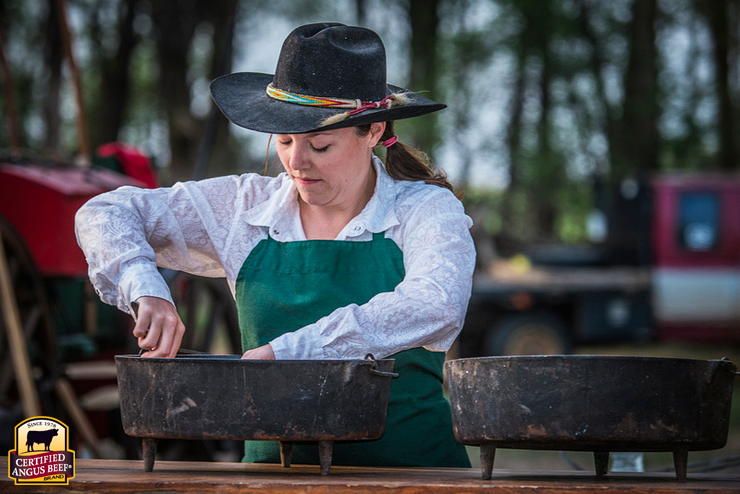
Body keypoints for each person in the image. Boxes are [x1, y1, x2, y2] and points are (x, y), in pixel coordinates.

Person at [75, 22, 475, 468]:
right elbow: (105, 212)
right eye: (284, 141)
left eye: (320, 146)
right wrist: (144, 286)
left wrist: (288, 355)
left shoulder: (425, 209)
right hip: (272, 477)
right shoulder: (246, 208)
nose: (296, 163)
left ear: (375, 131)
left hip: (413, 476)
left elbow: (435, 303)